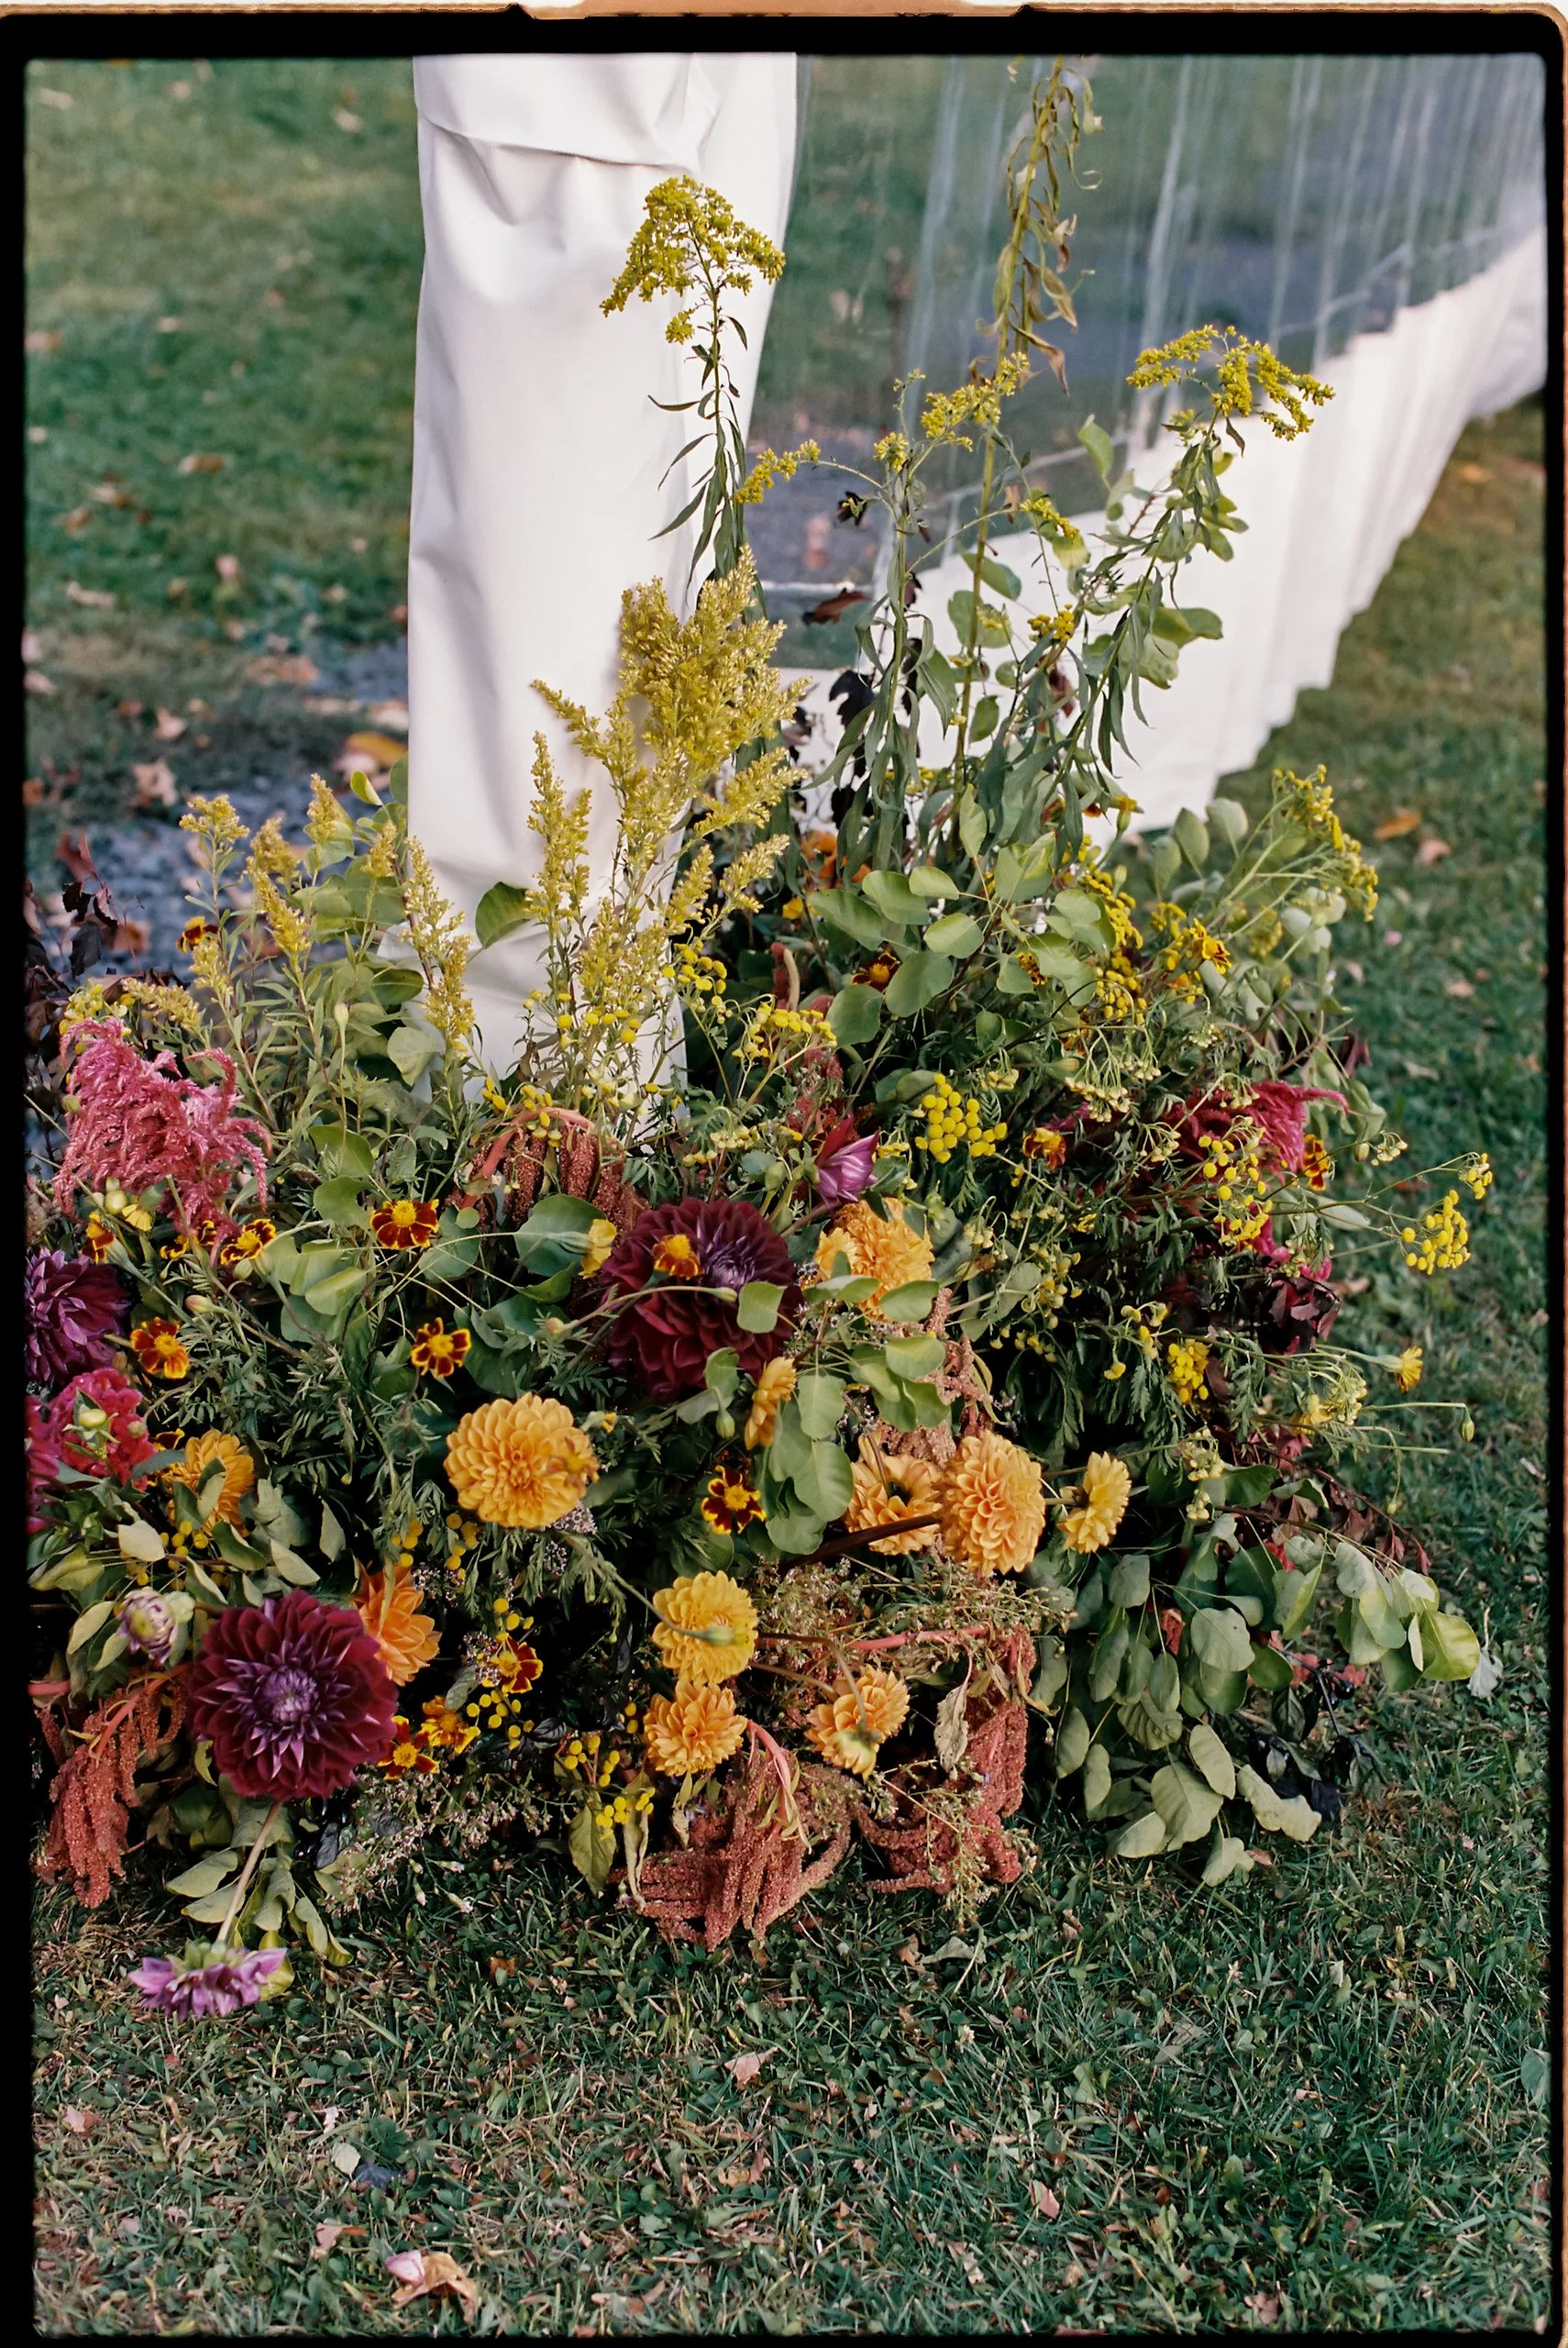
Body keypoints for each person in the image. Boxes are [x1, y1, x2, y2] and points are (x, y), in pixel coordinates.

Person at [407, 53, 798, 1068]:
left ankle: (575, 1061)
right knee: (542, 604)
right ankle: (511, 1066)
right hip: (564, 109)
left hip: (669, 96)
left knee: (649, 576)